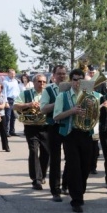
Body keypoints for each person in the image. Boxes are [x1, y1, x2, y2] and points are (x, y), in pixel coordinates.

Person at [53, 68, 98, 213]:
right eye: (75, 79)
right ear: (70, 81)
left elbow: (96, 113)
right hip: (70, 134)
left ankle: (80, 191)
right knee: (74, 167)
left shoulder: (90, 95)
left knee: (86, 167)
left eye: (80, 79)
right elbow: (56, 116)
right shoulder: (63, 96)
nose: (78, 82)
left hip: (86, 133)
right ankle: (76, 200)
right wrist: (72, 111)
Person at [14, 72, 50, 190]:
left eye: (44, 82)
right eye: (39, 81)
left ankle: (42, 174)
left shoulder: (49, 93)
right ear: (34, 82)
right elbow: (15, 106)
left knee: (46, 152)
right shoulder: (26, 93)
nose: (42, 84)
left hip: (46, 126)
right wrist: (29, 104)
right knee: (33, 151)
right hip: (31, 126)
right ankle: (36, 179)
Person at [40, 64, 69, 202]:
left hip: (69, 126)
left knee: (71, 158)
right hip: (54, 127)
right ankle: (55, 190)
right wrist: (57, 102)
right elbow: (43, 109)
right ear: (54, 75)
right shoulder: (49, 90)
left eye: (64, 73)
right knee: (55, 159)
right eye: (59, 74)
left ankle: (66, 185)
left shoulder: (70, 88)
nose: (62, 76)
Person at [2, 68, 21, 136]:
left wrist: (19, 100)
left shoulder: (15, 81)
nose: (13, 75)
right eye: (12, 74)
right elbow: (4, 93)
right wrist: (6, 102)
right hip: (9, 100)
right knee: (8, 116)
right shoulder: (5, 82)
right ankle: (6, 131)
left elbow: (18, 91)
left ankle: (12, 131)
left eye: (14, 74)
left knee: (14, 117)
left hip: (15, 100)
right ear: (8, 74)